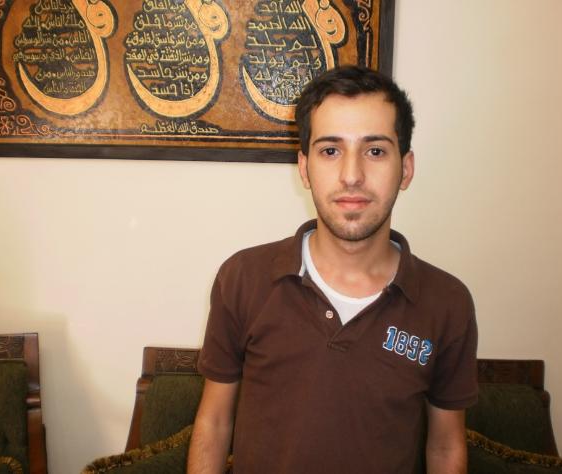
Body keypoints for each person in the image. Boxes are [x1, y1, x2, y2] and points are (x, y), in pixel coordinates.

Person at [187, 65, 478, 474]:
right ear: (305, 167)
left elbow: (446, 447)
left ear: (406, 168)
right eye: (330, 151)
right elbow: (215, 423)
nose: (352, 175)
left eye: (375, 151)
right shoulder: (242, 279)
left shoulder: (447, 302)